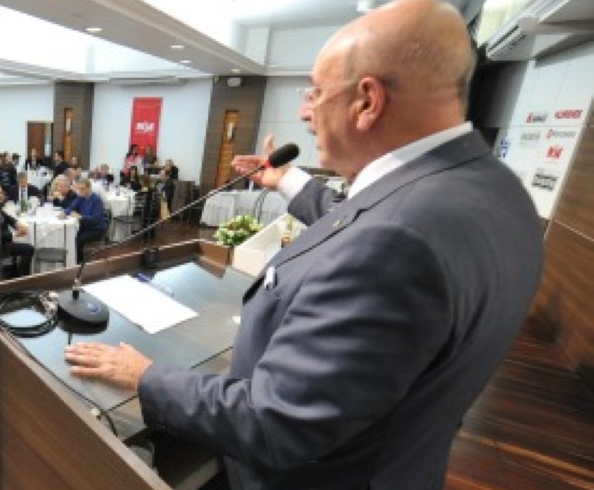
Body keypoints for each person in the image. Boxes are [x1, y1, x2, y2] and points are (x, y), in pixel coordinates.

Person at [64, 1, 544, 488]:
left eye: (315, 92)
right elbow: (373, 223)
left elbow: (277, 421)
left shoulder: (397, 244)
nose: (303, 110)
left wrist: (147, 375)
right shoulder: (496, 191)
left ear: (367, 102)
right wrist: (291, 183)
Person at [0, 184, 33, 278]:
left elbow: (6, 217)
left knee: (21, 246)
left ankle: (14, 274)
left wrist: (17, 224)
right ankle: (23, 279)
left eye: (1, 193)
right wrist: (16, 234)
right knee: (29, 249)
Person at [60, 178, 107, 265]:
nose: (80, 191)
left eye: (82, 189)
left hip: (96, 229)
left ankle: (79, 262)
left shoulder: (96, 200)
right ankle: (74, 260)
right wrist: (64, 213)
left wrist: (81, 217)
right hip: (85, 226)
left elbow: (96, 219)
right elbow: (71, 207)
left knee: (78, 240)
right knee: (70, 236)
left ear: (89, 188)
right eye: (79, 189)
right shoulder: (80, 198)